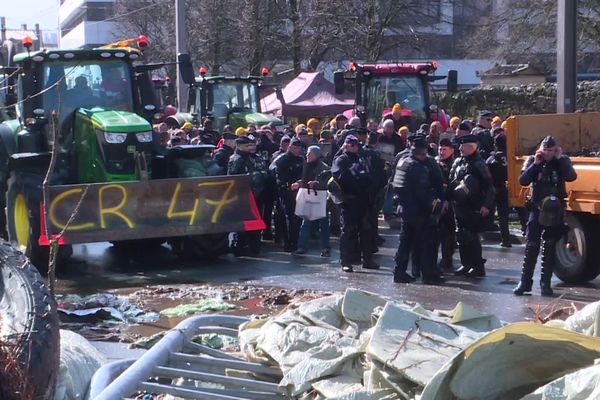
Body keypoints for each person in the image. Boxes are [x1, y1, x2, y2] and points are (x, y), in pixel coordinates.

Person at [514, 136, 577, 296]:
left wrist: (560, 158)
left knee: (549, 245)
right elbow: (523, 180)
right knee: (532, 245)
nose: (548, 153)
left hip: (555, 210)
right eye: (545, 149)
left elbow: (571, 176)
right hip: (537, 209)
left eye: (551, 150)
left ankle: (545, 283)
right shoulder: (534, 161)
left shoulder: (562, 161)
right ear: (541, 149)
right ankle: (525, 282)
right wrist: (535, 164)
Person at [392, 135, 445, 284]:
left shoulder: (403, 161)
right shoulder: (418, 167)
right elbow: (424, 192)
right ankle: (428, 275)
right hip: (419, 210)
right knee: (426, 243)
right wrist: (434, 206)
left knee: (405, 242)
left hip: (406, 209)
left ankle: (400, 271)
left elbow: (395, 185)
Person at [449, 135, 495, 278]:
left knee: (471, 236)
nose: (460, 148)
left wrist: (486, 205)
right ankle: (466, 263)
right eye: (460, 145)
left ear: (472, 147)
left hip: (474, 205)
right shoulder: (458, 162)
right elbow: (452, 181)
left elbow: (489, 187)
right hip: (459, 204)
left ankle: (477, 266)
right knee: (461, 235)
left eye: (464, 145)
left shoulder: (478, 164)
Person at [331, 135, 378, 272]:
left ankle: (367, 259)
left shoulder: (361, 158)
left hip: (363, 200)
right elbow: (341, 178)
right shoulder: (341, 160)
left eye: (356, 145)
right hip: (349, 200)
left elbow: (369, 175)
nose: (355, 147)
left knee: (366, 230)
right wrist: (357, 181)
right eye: (352, 145)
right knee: (348, 232)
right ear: (346, 145)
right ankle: (345, 261)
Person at [228, 135, 269, 255]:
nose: (251, 147)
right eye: (248, 145)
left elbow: (265, 171)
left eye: (252, 145)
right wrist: (254, 177)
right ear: (239, 146)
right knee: (241, 223)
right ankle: (239, 247)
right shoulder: (236, 159)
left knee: (255, 221)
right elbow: (234, 177)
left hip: (257, 193)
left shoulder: (255, 157)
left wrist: (259, 176)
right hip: (242, 195)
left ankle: (254, 245)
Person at [294, 146, 331, 257]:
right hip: (308, 196)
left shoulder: (324, 168)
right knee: (306, 223)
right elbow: (305, 179)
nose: (307, 156)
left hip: (320, 197)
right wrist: (299, 183)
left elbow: (327, 182)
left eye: (310, 154)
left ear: (316, 155)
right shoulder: (306, 165)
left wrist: (317, 184)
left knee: (323, 224)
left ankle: (325, 248)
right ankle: (302, 247)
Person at [273, 137, 305, 252]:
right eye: (294, 148)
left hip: (300, 192)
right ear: (290, 147)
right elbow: (279, 178)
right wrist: (289, 186)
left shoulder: (301, 159)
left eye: (298, 148)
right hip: (286, 192)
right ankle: (288, 243)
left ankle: (295, 241)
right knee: (289, 217)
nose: (297, 150)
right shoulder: (282, 160)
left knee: (298, 218)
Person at [486, 134, 511, 247]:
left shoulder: (493, 158)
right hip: (508, 187)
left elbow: (486, 172)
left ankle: (486, 228)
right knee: (503, 215)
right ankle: (506, 240)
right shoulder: (510, 156)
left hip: (495, 187)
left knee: (489, 209)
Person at [437, 138, 456, 272]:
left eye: (444, 149)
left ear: (451, 150)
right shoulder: (435, 162)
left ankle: (447, 258)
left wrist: (448, 200)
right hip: (437, 200)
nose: (441, 152)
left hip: (451, 202)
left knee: (448, 232)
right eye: (440, 149)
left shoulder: (454, 165)